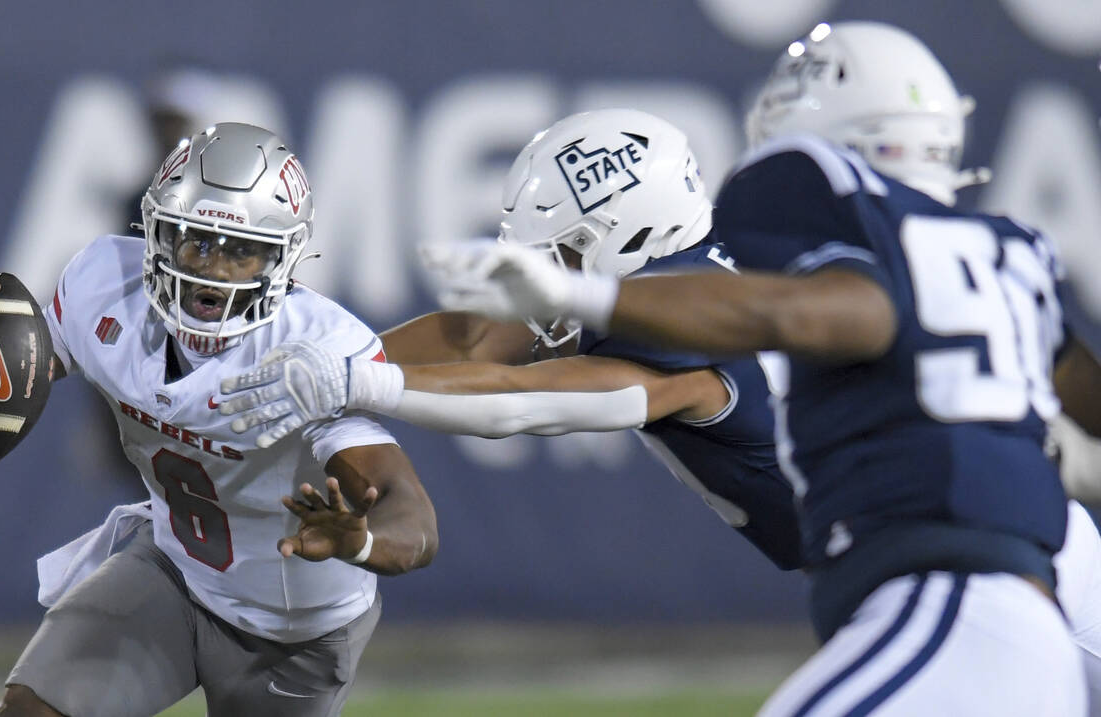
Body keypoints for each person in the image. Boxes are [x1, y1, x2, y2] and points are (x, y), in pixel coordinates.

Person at [425, 22, 1101, 716]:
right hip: (1035, 547)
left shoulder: (712, 308)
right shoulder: (987, 250)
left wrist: (371, 380)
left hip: (967, 575)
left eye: (564, 254)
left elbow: (520, 393)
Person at [0, 122, 438, 717]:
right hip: (175, 574)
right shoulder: (105, 284)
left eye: (242, 249)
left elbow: (412, 517)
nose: (213, 268)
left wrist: (360, 541)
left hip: (296, 631)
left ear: (284, 257)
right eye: (196, 240)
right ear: (157, 231)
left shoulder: (313, 349)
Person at [219, 108, 803, 573]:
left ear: (633, 234)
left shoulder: (676, 326)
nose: (553, 277)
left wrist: (356, 382)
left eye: (567, 252)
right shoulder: (711, 249)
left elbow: (521, 399)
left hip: (884, 548)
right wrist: (305, 364)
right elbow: (473, 340)